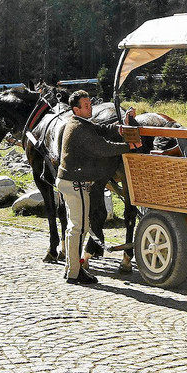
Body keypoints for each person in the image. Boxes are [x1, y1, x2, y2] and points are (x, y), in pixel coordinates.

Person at [56, 90, 132, 285]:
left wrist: (120, 127)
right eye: (87, 105)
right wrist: (128, 147)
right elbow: (104, 148)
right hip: (75, 183)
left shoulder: (81, 124)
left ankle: (71, 268)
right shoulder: (79, 130)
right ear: (76, 109)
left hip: (70, 181)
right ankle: (75, 273)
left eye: (90, 103)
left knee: (75, 227)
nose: (91, 107)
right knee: (79, 228)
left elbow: (101, 130)